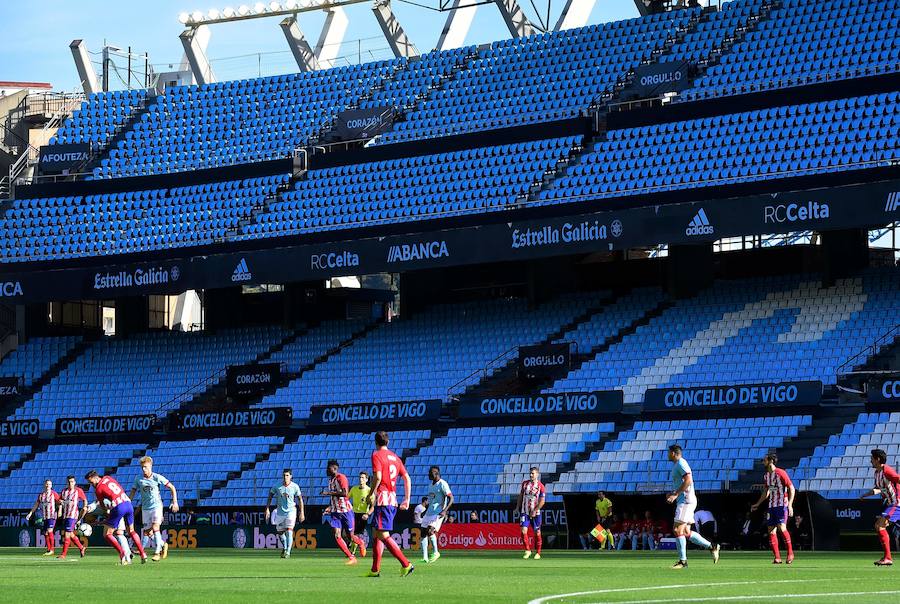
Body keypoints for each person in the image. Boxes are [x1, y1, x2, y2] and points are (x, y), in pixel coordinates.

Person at [365, 430, 414, 577]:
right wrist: (407, 499)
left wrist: (370, 493)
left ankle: (406, 564)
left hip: (383, 499)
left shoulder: (376, 455)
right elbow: (407, 478)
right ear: (388, 442)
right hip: (392, 499)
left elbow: (378, 477)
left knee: (383, 534)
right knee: (376, 533)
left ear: (375, 442)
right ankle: (375, 570)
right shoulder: (395, 457)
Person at [665, 444, 719, 568]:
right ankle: (712, 546)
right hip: (685, 500)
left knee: (677, 530)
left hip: (685, 501)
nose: (667, 455)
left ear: (673, 453)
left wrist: (676, 494)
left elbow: (688, 480)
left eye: (668, 453)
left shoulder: (681, 463)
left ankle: (683, 561)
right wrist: (673, 493)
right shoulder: (678, 464)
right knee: (686, 532)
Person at [85, 470, 147, 564]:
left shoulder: (98, 489)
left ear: (96, 478)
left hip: (119, 507)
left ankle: (122, 553)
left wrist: (108, 512)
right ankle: (143, 554)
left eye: (91, 482)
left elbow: (102, 506)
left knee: (107, 534)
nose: (91, 485)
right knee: (131, 531)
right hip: (128, 503)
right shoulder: (108, 478)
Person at [129, 455, 179, 562]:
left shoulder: (157, 477)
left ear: (151, 466)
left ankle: (157, 552)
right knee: (147, 533)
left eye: (146, 467)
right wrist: (128, 502)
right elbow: (133, 491)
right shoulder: (138, 479)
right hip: (145, 508)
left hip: (157, 506)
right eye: (142, 467)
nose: (144, 469)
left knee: (156, 527)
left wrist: (174, 502)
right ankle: (163, 544)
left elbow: (172, 487)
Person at [750, 453, 795, 564]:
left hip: (781, 505)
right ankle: (777, 557)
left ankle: (790, 553)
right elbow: (767, 491)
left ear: (770, 461)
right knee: (771, 531)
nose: (763, 462)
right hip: (771, 506)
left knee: (782, 528)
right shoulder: (766, 476)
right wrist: (758, 504)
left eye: (764, 460)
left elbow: (791, 488)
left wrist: (790, 505)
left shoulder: (781, 473)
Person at [859, 448, 900, 566]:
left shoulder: (887, 470)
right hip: (892, 504)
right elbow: (879, 489)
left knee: (879, 525)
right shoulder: (877, 473)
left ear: (877, 459)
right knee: (880, 526)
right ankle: (887, 557)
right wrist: (866, 495)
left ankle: (888, 558)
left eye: (872, 458)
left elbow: (898, 479)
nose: (870, 461)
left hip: (897, 504)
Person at [321, 459, 366, 565]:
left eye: (328, 468)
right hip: (335, 512)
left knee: (350, 536)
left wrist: (328, 493)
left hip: (346, 511)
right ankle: (351, 557)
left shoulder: (341, 477)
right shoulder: (330, 480)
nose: (326, 470)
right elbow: (334, 497)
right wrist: (330, 507)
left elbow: (345, 493)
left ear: (334, 468)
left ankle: (361, 543)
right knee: (337, 535)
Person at [265, 469, 305, 559]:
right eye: (284, 475)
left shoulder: (295, 486)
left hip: (291, 511)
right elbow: (270, 496)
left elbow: (300, 499)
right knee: (280, 532)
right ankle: (285, 547)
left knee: (289, 531)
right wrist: (267, 509)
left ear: (291, 476)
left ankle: (288, 552)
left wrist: (302, 512)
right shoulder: (277, 486)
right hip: (280, 512)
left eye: (287, 475)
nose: (285, 477)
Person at [421, 466, 453, 564]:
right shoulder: (430, 485)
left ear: (435, 473)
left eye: (430, 473)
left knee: (430, 531)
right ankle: (425, 557)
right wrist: (425, 511)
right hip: (429, 512)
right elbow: (432, 500)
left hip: (438, 512)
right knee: (423, 533)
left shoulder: (442, 484)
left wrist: (445, 511)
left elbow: (451, 498)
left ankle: (436, 552)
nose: (428, 475)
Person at [516, 466, 545, 560]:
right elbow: (521, 496)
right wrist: (517, 507)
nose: (531, 475)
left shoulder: (540, 486)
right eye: (530, 473)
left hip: (536, 513)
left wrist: (535, 510)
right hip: (525, 511)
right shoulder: (525, 484)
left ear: (537, 474)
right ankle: (527, 550)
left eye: (533, 473)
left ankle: (538, 553)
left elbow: (542, 501)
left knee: (537, 532)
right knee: (523, 531)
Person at [25, 479, 60, 556]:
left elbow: (59, 502)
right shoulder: (41, 495)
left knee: (50, 531)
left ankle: (52, 549)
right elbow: (36, 505)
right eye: (47, 484)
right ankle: (48, 549)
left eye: (49, 484)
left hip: (52, 515)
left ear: (51, 485)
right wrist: (30, 513)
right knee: (45, 533)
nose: (48, 485)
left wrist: (59, 510)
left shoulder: (54, 494)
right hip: (45, 516)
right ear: (44, 485)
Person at [57, 475, 88, 560]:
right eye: (69, 482)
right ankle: (81, 547)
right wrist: (60, 506)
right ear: (67, 483)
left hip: (73, 515)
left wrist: (85, 506)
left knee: (67, 533)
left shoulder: (78, 491)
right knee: (70, 534)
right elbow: (60, 501)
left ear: (75, 482)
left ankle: (63, 554)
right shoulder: (64, 491)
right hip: (65, 515)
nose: (70, 483)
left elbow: (84, 500)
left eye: (72, 482)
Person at [348, 472, 371, 555]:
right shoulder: (354, 489)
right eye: (360, 477)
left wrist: (367, 514)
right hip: (353, 514)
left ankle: (352, 553)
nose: (361, 479)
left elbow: (373, 506)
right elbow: (346, 498)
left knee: (355, 534)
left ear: (366, 479)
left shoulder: (369, 490)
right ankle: (360, 544)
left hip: (363, 515)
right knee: (349, 533)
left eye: (363, 477)